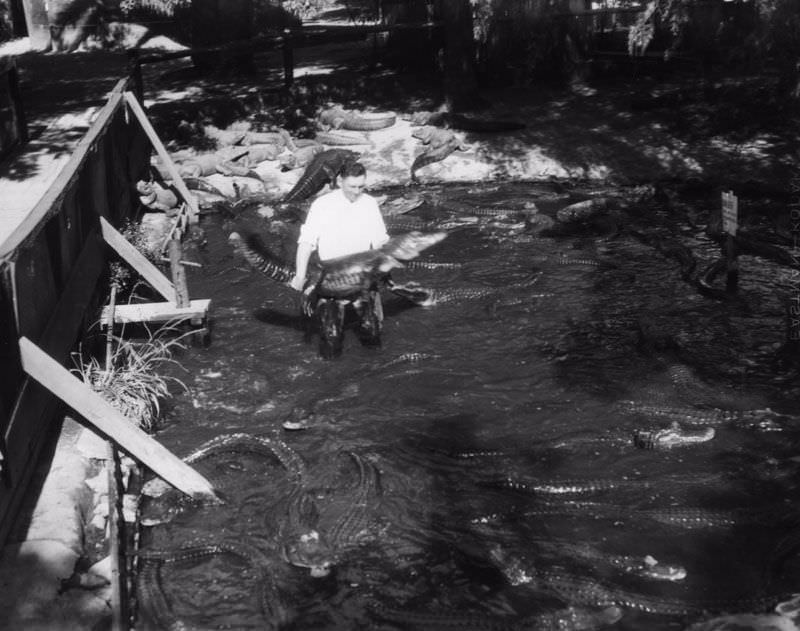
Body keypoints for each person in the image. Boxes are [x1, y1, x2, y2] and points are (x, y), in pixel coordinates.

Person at [289, 161, 390, 358]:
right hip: (330, 279)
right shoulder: (322, 205)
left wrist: (383, 268)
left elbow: (379, 242)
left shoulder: (369, 203)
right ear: (339, 181)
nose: (357, 192)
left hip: (361, 277)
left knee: (372, 334)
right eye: (352, 186)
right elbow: (307, 242)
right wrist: (300, 276)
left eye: (361, 186)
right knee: (331, 339)